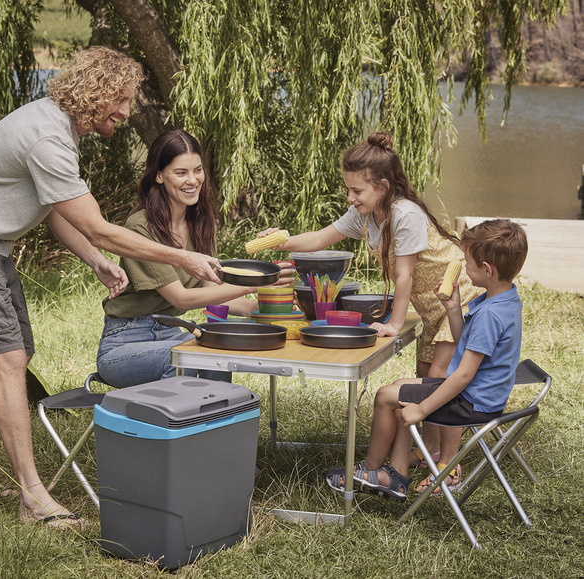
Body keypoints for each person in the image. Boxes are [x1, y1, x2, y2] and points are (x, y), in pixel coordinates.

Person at [0, 47, 224, 528]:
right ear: (95, 94)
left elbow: (61, 213)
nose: (125, 111)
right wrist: (181, 256)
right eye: (120, 100)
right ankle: (33, 497)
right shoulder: (47, 138)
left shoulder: (58, 129)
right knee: (8, 359)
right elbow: (100, 226)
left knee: (13, 357)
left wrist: (96, 261)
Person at [255, 131, 483, 490]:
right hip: (433, 309)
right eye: (348, 189)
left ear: (382, 185)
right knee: (425, 378)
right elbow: (318, 238)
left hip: (457, 300)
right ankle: (427, 453)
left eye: (357, 191)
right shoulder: (365, 215)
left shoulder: (404, 214)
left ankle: (448, 468)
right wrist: (281, 240)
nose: (350, 197)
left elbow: (405, 275)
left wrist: (394, 323)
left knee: (440, 384)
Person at [324, 219, 528, 500]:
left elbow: (463, 375)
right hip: (483, 397)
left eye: (467, 262)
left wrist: (422, 410)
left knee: (386, 396)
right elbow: (466, 341)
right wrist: (454, 309)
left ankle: (372, 470)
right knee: (400, 386)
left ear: (487, 269)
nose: (463, 268)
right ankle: (395, 476)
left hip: (470, 402)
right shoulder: (502, 301)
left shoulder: (490, 315)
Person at [96, 129, 294, 387]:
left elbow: (213, 292)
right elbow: (182, 298)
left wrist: (276, 309)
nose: (193, 180)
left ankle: (216, 422)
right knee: (188, 357)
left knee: (215, 350)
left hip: (172, 332)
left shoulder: (200, 222)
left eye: (197, 170)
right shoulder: (140, 227)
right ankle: (179, 424)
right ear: (158, 175)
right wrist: (256, 282)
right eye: (181, 172)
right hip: (125, 342)